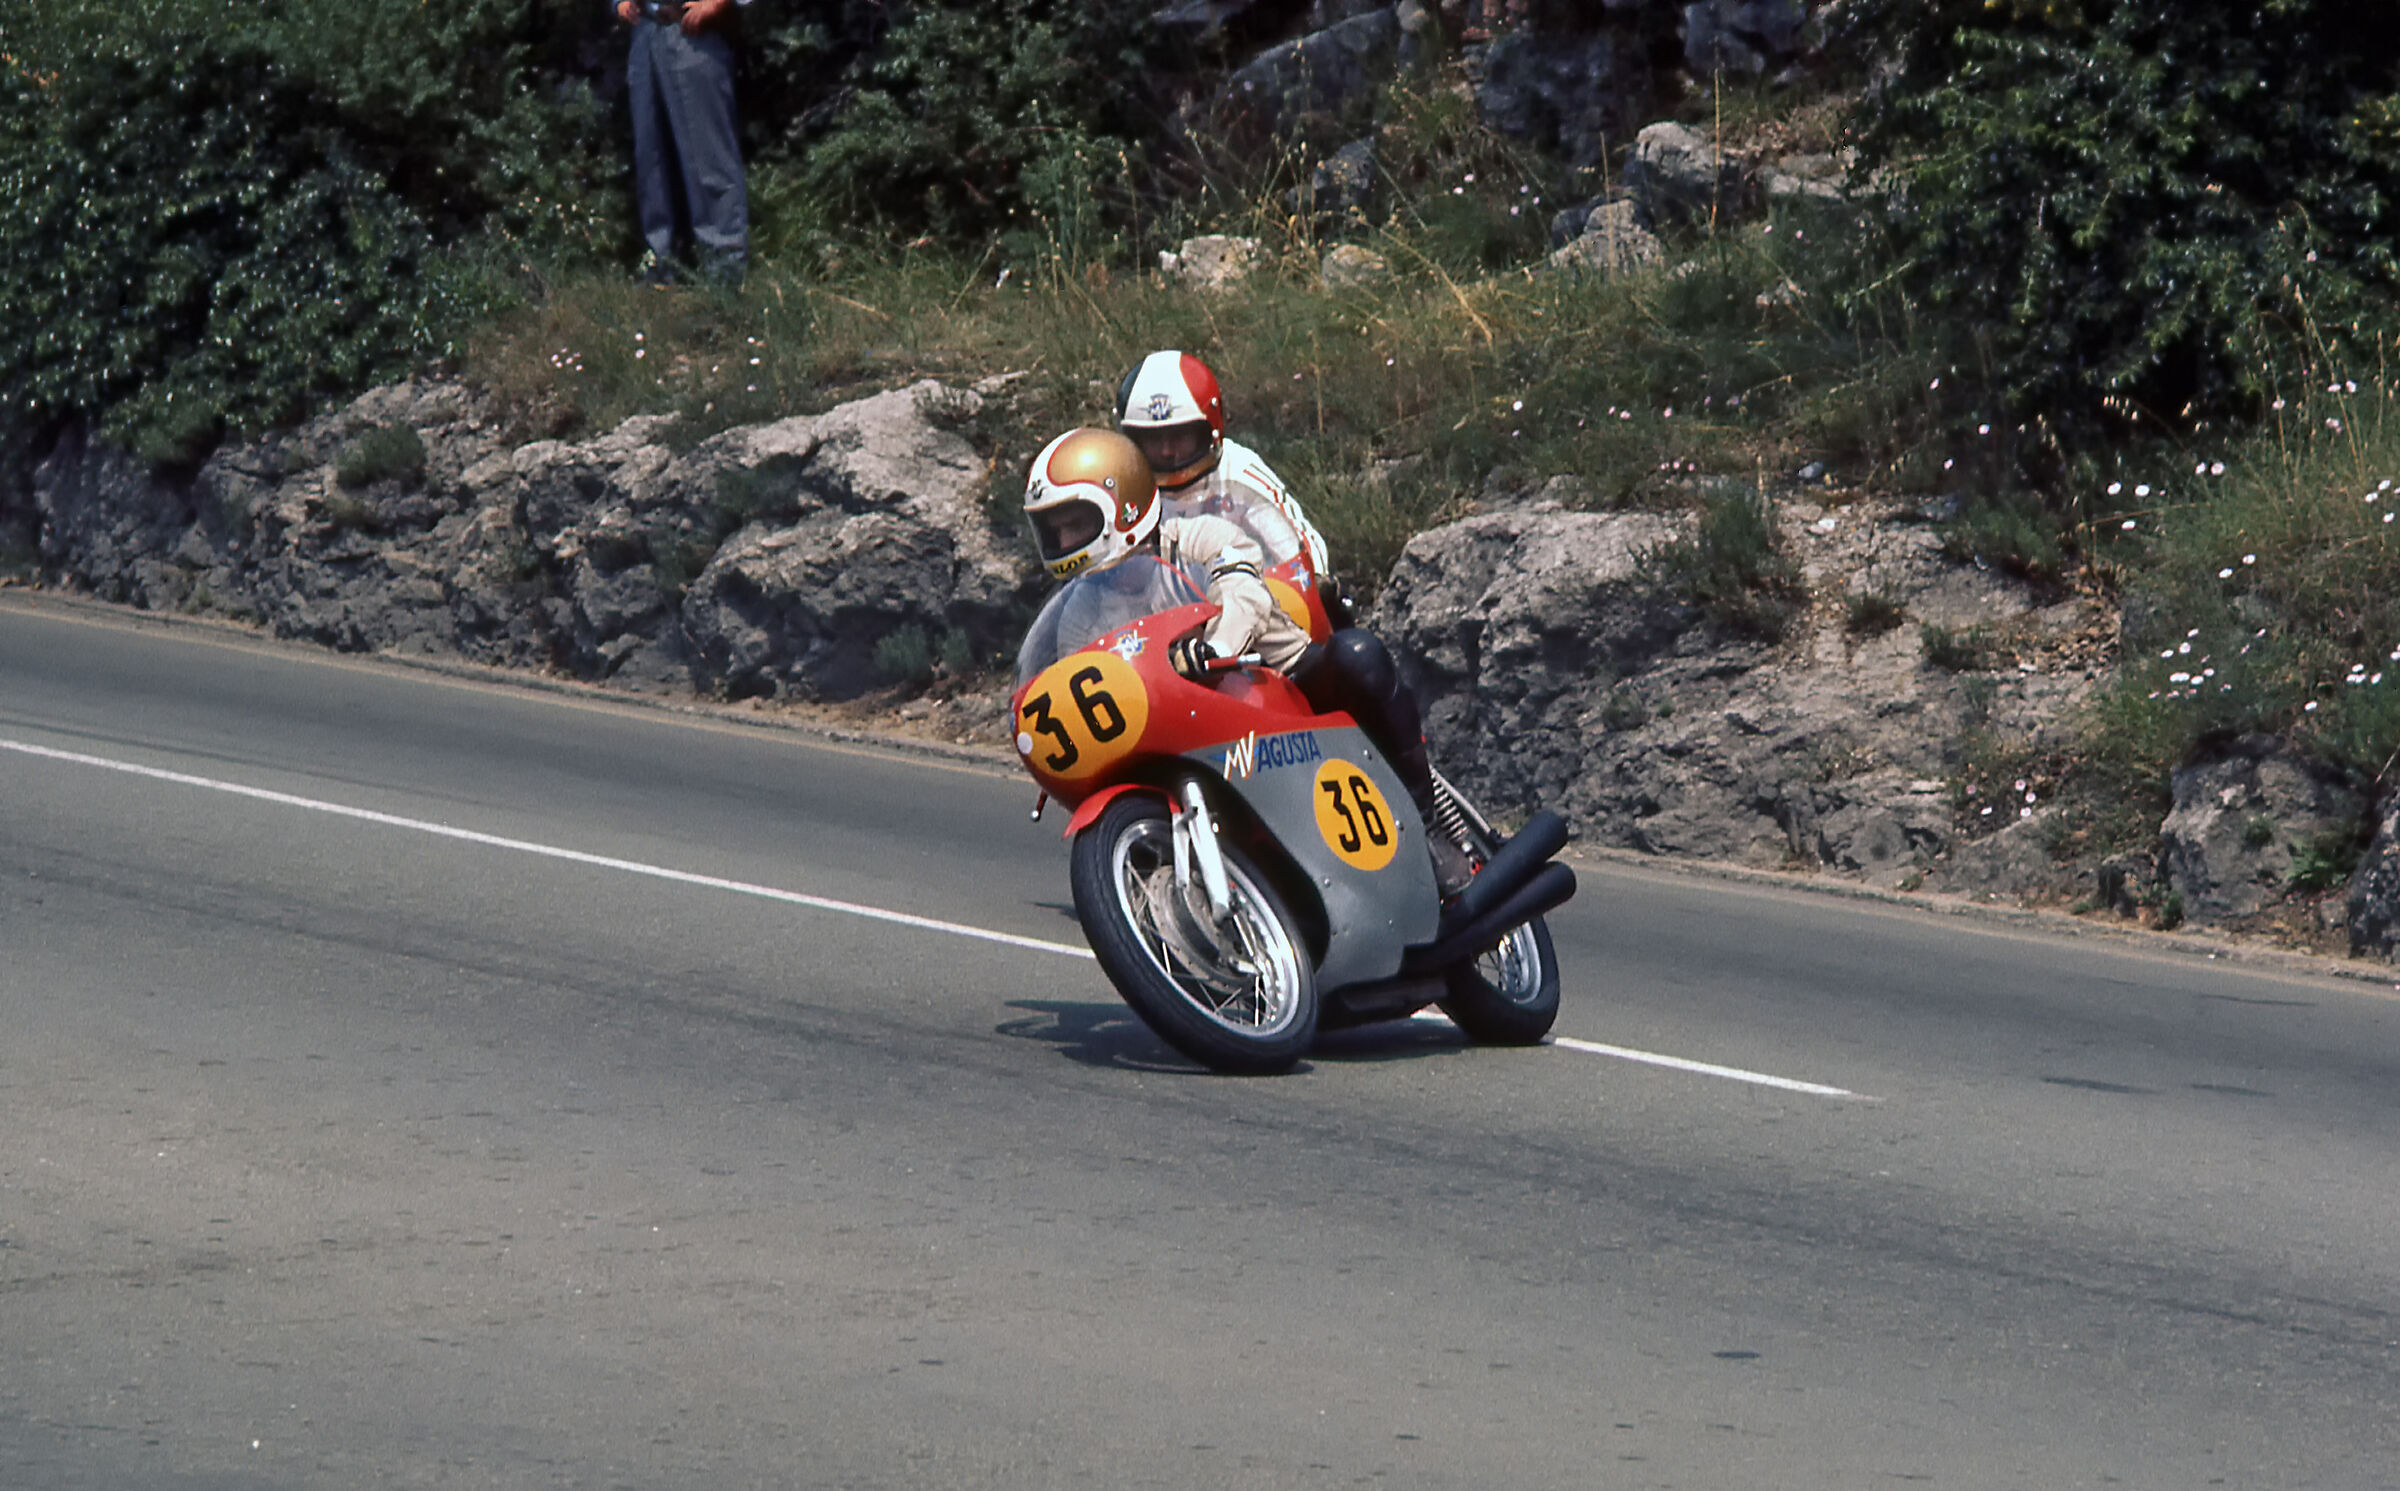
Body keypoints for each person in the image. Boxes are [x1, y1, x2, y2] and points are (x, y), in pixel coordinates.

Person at [1024, 428, 1473, 897]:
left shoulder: (1198, 537)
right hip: (1184, 728)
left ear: (1125, 507)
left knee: (1359, 656)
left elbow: (1241, 589)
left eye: (1074, 522)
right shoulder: (1080, 613)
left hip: (1282, 682)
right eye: (1054, 529)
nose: (1064, 538)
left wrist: (1218, 646)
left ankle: (1428, 826)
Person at [1114, 351, 1331, 576]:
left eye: (1180, 436)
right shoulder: (1124, 488)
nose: (1167, 451)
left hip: (1249, 601)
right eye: (1152, 439)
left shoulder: (1239, 469)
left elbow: (1298, 550)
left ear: (1208, 432)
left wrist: (1314, 583)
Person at [612, 0, 751, 286]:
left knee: (709, 160)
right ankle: (661, 268)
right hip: (646, 30)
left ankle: (726, 276)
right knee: (652, 162)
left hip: (692, 32)